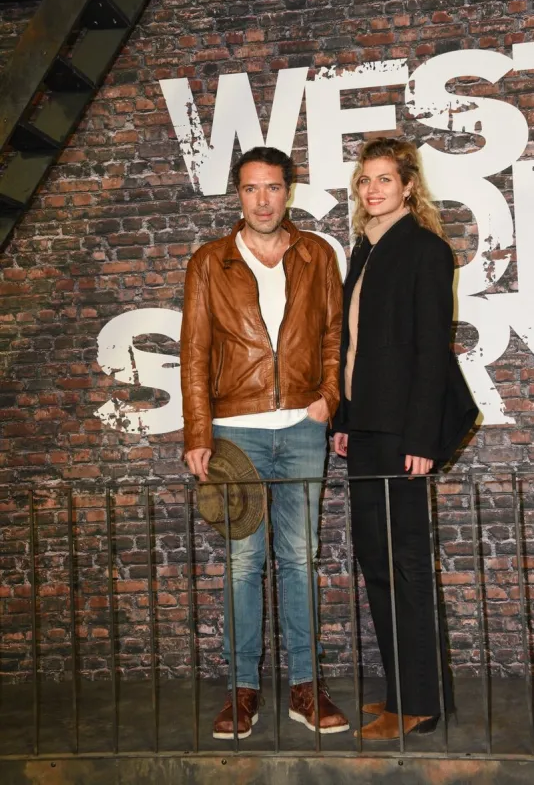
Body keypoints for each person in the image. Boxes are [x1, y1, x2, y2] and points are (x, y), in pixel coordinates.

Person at [181, 146, 349, 739]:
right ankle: (242, 691)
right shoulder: (210, 262)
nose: (262, 200)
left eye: (272, 188)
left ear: (288, 191)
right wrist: (199, 432)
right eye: (251, 189)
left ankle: (305, 686)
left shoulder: (317, 254)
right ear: (238, 194)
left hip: (303, 427)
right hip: (236, 430)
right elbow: (195, 353)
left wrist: (329, 396)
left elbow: (334, 332)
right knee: (244, 563)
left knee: (299, 561)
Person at [333, 137, 478, 741]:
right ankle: (402, 694)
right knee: (377, 563)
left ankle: (419, 702)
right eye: (366, 180)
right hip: (365, 428)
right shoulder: (364, 250)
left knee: (406, 565)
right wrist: (343, 420)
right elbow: (354, 346)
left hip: (401, 435)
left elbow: (428, 352)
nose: (373, 190)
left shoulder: (425, 249)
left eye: (385, 180)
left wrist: (420, 436)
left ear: (408, 186)